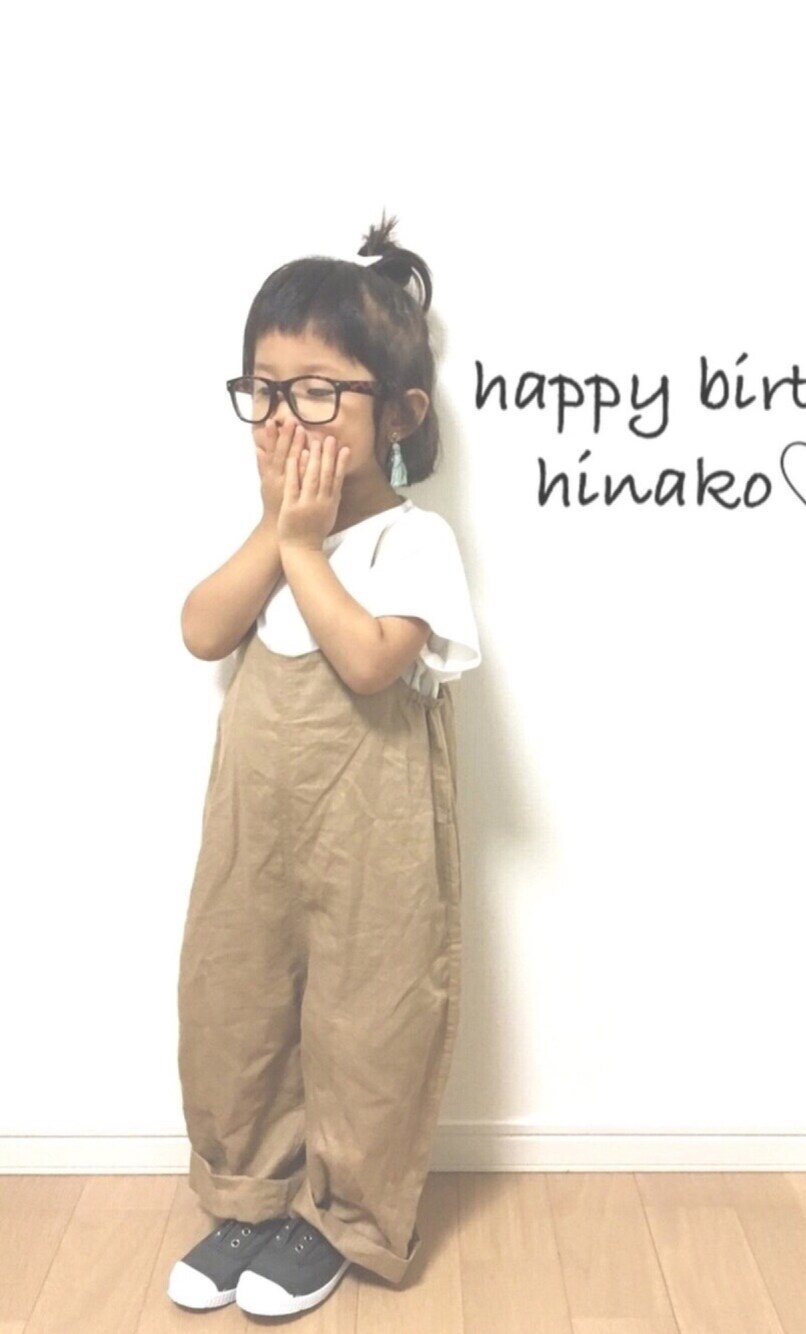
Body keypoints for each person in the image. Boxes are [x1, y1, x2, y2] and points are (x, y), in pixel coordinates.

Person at [167, 214, 482, 1319]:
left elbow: (369, 661)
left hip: (370, 837)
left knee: (365, 1019)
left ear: (397, 414)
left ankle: (342, 1217)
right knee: (236, 997)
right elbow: (203, 629)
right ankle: (249, 1194)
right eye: (263, 390)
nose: (282, 417)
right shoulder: (275, 533)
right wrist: (277, 528)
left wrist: (303, 544)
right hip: (257, 832)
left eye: (315, 392)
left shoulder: (411, 542)